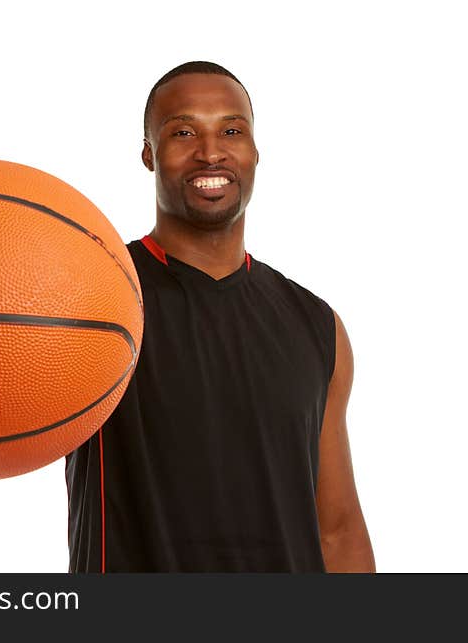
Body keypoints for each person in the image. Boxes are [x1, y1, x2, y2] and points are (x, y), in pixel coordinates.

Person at [65, 61, 374, 573]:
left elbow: (337, 531)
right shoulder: (96, 298)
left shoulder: (317, 326)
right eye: (183, 132)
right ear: (148, 154)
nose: (210, 152)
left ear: (254, 152)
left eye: (231, 130)